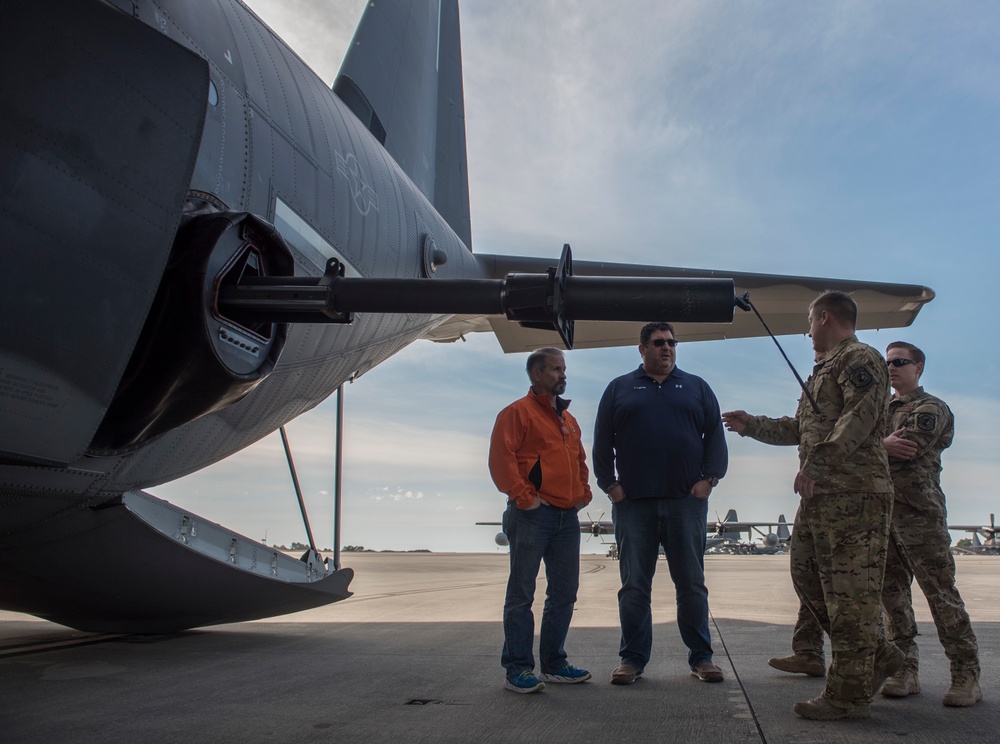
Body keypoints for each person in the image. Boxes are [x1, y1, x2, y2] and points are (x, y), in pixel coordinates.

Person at [722, 290, 904, 721]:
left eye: (808, 320)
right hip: (822, 496)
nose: (806, 330)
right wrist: (752, 426)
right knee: (807, 576)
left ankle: (848, 695)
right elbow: (801, 427)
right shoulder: (824, 369)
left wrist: (817, 465)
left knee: (851, 598)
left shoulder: (859, 357)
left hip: (854, 492)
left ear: (825, 317)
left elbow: (858, 418)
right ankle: (876, 653)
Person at [593, 322, 728, 686]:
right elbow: (602, 441)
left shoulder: (696, 387)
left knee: (692, 585)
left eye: (671, 343)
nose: (666, 348)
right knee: (634, 586)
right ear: (642, 349)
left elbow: (715, 436)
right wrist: (610, 485)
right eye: (658, 343)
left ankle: (702, 658)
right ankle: (632, 660)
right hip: (634, 505)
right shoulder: (620, 388)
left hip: (686, 503)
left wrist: (709, 480)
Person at [878, 341, 981, 706]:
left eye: (899, 362)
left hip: (920, 515)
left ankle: (966, 674)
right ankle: (906, 671)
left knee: (941, 596)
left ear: (918, 366)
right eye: (887, 362)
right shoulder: (879, 410)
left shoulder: (930, 408)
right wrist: (878, 444)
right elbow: (861, 446)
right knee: (893, 601)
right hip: (883, 516)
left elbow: (908, 446)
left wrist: (870, 446)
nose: (891, 368)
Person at [488, 347, 593, 694]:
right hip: (532, 515)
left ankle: (554, 664)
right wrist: (525, 498)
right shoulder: (516, 413)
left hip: (567, 517)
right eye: (555, 369)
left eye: (563, 369)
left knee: (564, 593)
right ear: (536, 374)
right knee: (521, 594)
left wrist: (583, 494)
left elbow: (579, 459)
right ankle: (517, 669)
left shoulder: (568, 419)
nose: (562, 375)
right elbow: (501, 460)